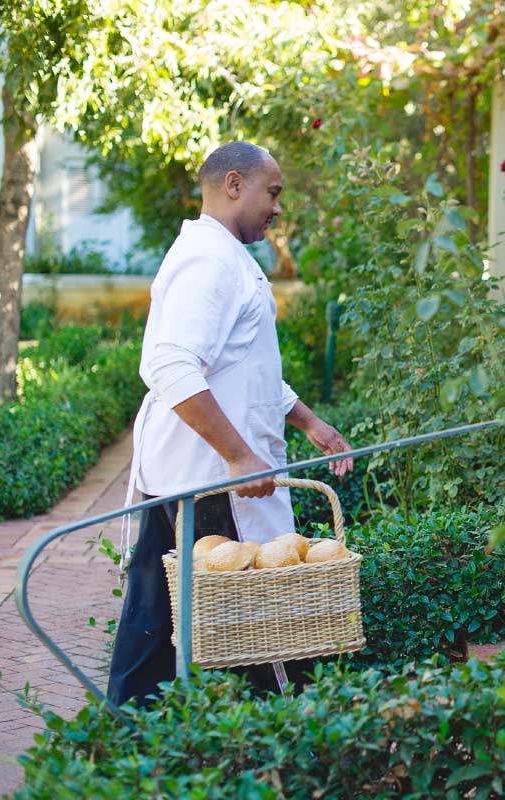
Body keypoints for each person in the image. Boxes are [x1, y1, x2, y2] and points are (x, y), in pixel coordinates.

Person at [106, 141, 355, 708]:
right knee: (250, 632)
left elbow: (245, 368)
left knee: (157, 628)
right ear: (234, 184)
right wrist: (240, 455)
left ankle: (130, 740)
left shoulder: (227, 257)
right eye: (274, 192)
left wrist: (309, 422)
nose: (278, 208)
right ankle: (274, 738)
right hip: (211, 483)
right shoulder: (209, 262)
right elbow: (170, 365)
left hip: (195, 477)